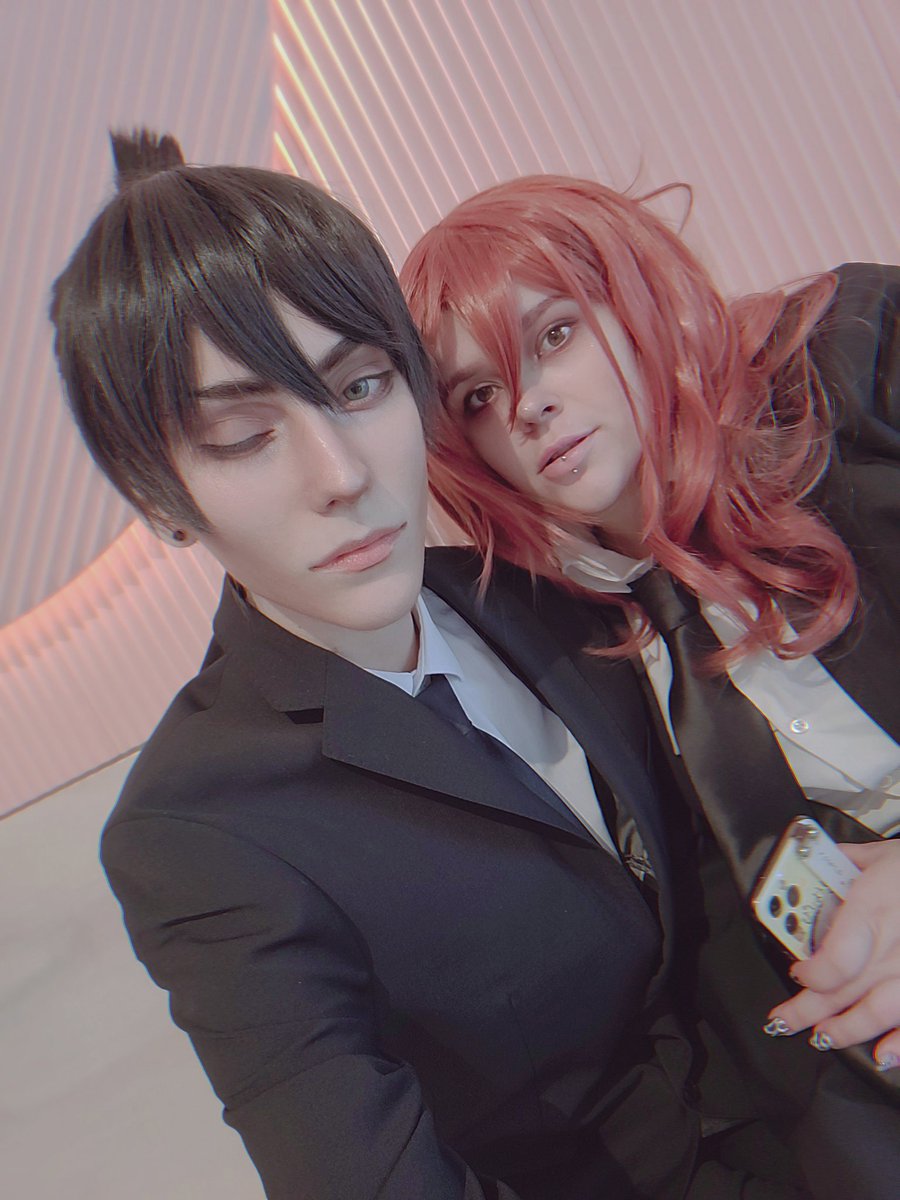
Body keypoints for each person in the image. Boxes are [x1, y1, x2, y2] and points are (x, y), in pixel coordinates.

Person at [50, 131, 810, 1200]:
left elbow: (715, 874)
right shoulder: (197, 833)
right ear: (157, 497)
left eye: (361, 385)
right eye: (243, 437)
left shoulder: (530, 586)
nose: (340, 473)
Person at [401, 174, 900, 1197]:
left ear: (633, 297)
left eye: (552, 336)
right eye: (478, 398)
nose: (527, 407)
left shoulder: (856, 364)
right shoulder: (582, 648)